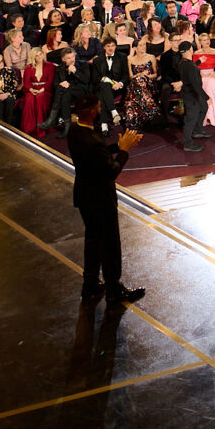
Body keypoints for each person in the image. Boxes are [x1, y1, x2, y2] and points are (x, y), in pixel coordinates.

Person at [70, 95, 145, 306]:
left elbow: (96, 153)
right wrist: (124, 151)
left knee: (93, 241)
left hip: (84, 196)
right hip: (101, 199)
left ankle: (90, 285)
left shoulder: (75, 130)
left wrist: (117, 146)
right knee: (110, 245)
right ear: (94, 112)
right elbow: (110, 171)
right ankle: (114, 290)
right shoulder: (92, 140)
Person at [20, 48, 53, 136]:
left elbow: (50, 82)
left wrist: (42, 89)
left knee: (40, 97)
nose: (39, 57)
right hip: (32, 89)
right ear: (33, 57)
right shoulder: (28, 67)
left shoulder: (50, 66)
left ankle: (41, 128)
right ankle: (29, 128)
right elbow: (26, 83)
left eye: (40, 54)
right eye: (37, 56)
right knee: (30, 99)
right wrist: (31, 89)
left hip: (45, 90)